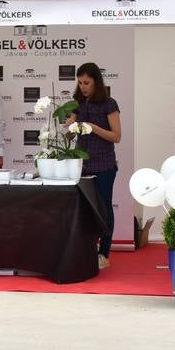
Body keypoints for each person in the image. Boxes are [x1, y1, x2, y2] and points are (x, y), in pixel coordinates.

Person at [67, 62, 122, 269]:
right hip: (82, 165)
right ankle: (86, 248)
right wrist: (70, 126)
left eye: (87, 83)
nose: (83, 87)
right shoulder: (77, 103)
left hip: (105, 165)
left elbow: (116, 136)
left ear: (96, 82)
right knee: (85, 210)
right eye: (80, 82)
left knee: (105, 208)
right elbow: (70, 133)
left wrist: (92, 127)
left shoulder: (109, 103)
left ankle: (104, 253)